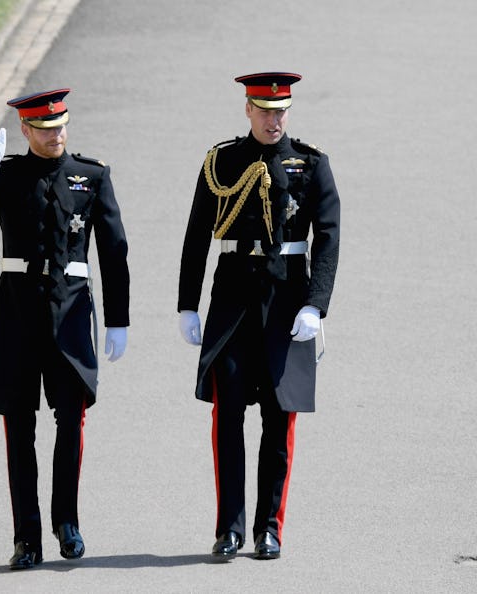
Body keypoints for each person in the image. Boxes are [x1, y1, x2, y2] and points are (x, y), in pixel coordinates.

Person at [0, 88, 130, 570]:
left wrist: (118, 319)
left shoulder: (91, 176)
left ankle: (66, 523)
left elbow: (114, 252)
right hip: (16, 312)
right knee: (19, 427)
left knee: (70, 421)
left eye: (61, 126)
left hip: (71, 312)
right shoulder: (8, 175)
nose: (56, 135)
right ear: (27, 131)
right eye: (45, 128)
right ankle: (26, 537)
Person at [177, 72, 340, 561]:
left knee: (278, 418)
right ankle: (229, 528)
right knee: (226, 416)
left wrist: (316, 303)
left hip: (286, 301)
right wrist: (187, 303)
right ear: (248, 109)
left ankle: (269, 528)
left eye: (281, 111)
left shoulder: (311, 164)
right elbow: (196, 233)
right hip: (231, 302)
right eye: (265, 111)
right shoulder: (222, 161)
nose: (274, 119)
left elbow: (328, 237)